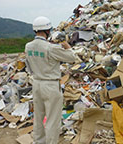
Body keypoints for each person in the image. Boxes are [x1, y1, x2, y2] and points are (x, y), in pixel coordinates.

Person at [25, 16, 76, 144]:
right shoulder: (51, 48)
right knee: (52, 120)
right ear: (47, 30)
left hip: (36, 84)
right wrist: (66, 45)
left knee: (38, 118)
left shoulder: (28, 46)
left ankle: (38, 142)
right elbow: (72, 57)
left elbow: (28, 67)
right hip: (51, 86)